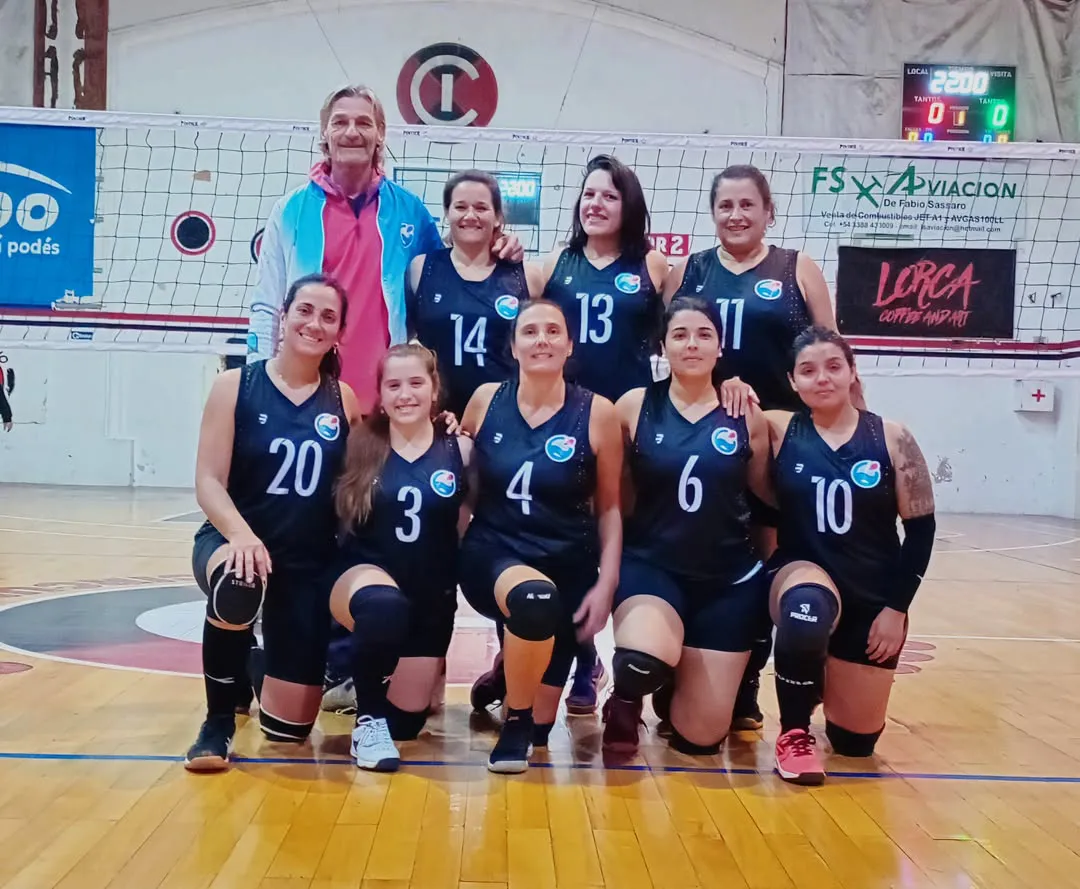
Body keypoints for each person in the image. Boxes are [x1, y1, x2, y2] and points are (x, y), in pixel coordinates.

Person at [469, 154, 667, 718]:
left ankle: (599, 664)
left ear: (628, 205)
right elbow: (513, 313)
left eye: (608, 195)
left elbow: (688, 337)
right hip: (553, 418)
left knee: (600, 535)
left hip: (622, 421)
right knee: (540, 536)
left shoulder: (654, 267)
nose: (595, 204)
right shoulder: (551, 263)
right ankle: (539, 661)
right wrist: (499, 244)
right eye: (588, 195)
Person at [664, 163, 848, 731]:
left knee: (769, 558)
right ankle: (686, 679)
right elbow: (671, 346)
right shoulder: (691, 270)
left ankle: (750, 685)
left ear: (769, 211)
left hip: (782, 438)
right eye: (726, 206)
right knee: (705, 553)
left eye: (749, 205)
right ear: (713, 212)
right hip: (703, 435)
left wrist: (851, 422)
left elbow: (830, 346)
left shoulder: (797, 268)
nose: (737, 215)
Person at [246, 85, 523, 414]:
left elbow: (450, 276)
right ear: (325, 132)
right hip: (304, 395)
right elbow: (266, 307)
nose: (352, 132)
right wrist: (257, 384)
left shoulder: (409, 210)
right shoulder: (290, 210)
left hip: (387, 404)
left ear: (380, 133)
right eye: (340, 122)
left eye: (364, 123)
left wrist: (494, 241)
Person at [185, 274, 360, 771]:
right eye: (304, 310)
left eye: (328, 316)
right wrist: (241, 535)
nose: (314, 323)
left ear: (339, 332)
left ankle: (253, 665)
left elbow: (352, 487)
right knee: (239, 583)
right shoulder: (235, 385)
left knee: (289, 732)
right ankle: (217, 723)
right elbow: (208, 481)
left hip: (306, 563)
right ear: (282, 318)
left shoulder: (342, 398)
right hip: (233, 541)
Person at [764, 326, 935, 785]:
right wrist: (735, 385)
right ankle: (794, 733)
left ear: (852, 372)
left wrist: (896, 609)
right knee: (805, 613)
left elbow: (921, 531)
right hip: (804, 572)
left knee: (855, 744)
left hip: (872, 593)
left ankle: (820, 677)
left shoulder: (892, 438)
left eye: (834, 366)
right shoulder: (778, 429)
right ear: (793, 380)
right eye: (808, 370)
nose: (822, 378)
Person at [602, 297, 772, 759]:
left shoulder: (745, 413)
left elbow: (762, 502)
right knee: (640, 661)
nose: (691, 344)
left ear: (720, 347)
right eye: (680, 335)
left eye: (703, 335)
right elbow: (616, 497)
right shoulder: (635, 406)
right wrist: (608, 574)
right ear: (663, 347)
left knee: (700, 739)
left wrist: (768, 576)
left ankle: (675, 682)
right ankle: (625, 697)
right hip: (653, 568)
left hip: (727, 579)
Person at [459, 299, 623, 772]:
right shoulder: (485, 399)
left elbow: (609, 506)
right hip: (495, 554)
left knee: (544, 730)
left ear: (570, 344)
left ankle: (509, 683)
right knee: (533, 601)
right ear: (513, 346)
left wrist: (606, 582)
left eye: (554, 331)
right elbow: (464, 492)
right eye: (529, 332)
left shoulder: (598, 413)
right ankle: (513, 720)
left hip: (568, 561)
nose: (542, 340)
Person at [329, 343, 471, 772]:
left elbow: (466, 527)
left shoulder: (459, 451)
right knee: (384, 608)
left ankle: (367, 686)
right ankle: (366, 721)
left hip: (430, 597)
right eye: (393, 385)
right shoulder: (359, 444)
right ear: (381, 393)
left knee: (407, 725)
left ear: (434, 388)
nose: (404, 394)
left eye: (415, 383)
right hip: (364, 580)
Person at [408, 170, 544, 417]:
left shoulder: (527, 276)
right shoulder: (420, 268)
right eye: (460, 207)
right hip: (435, 415)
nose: (470, 216)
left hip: (504, 414)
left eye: (481, 208)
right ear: (447, 213)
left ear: (498, 217)